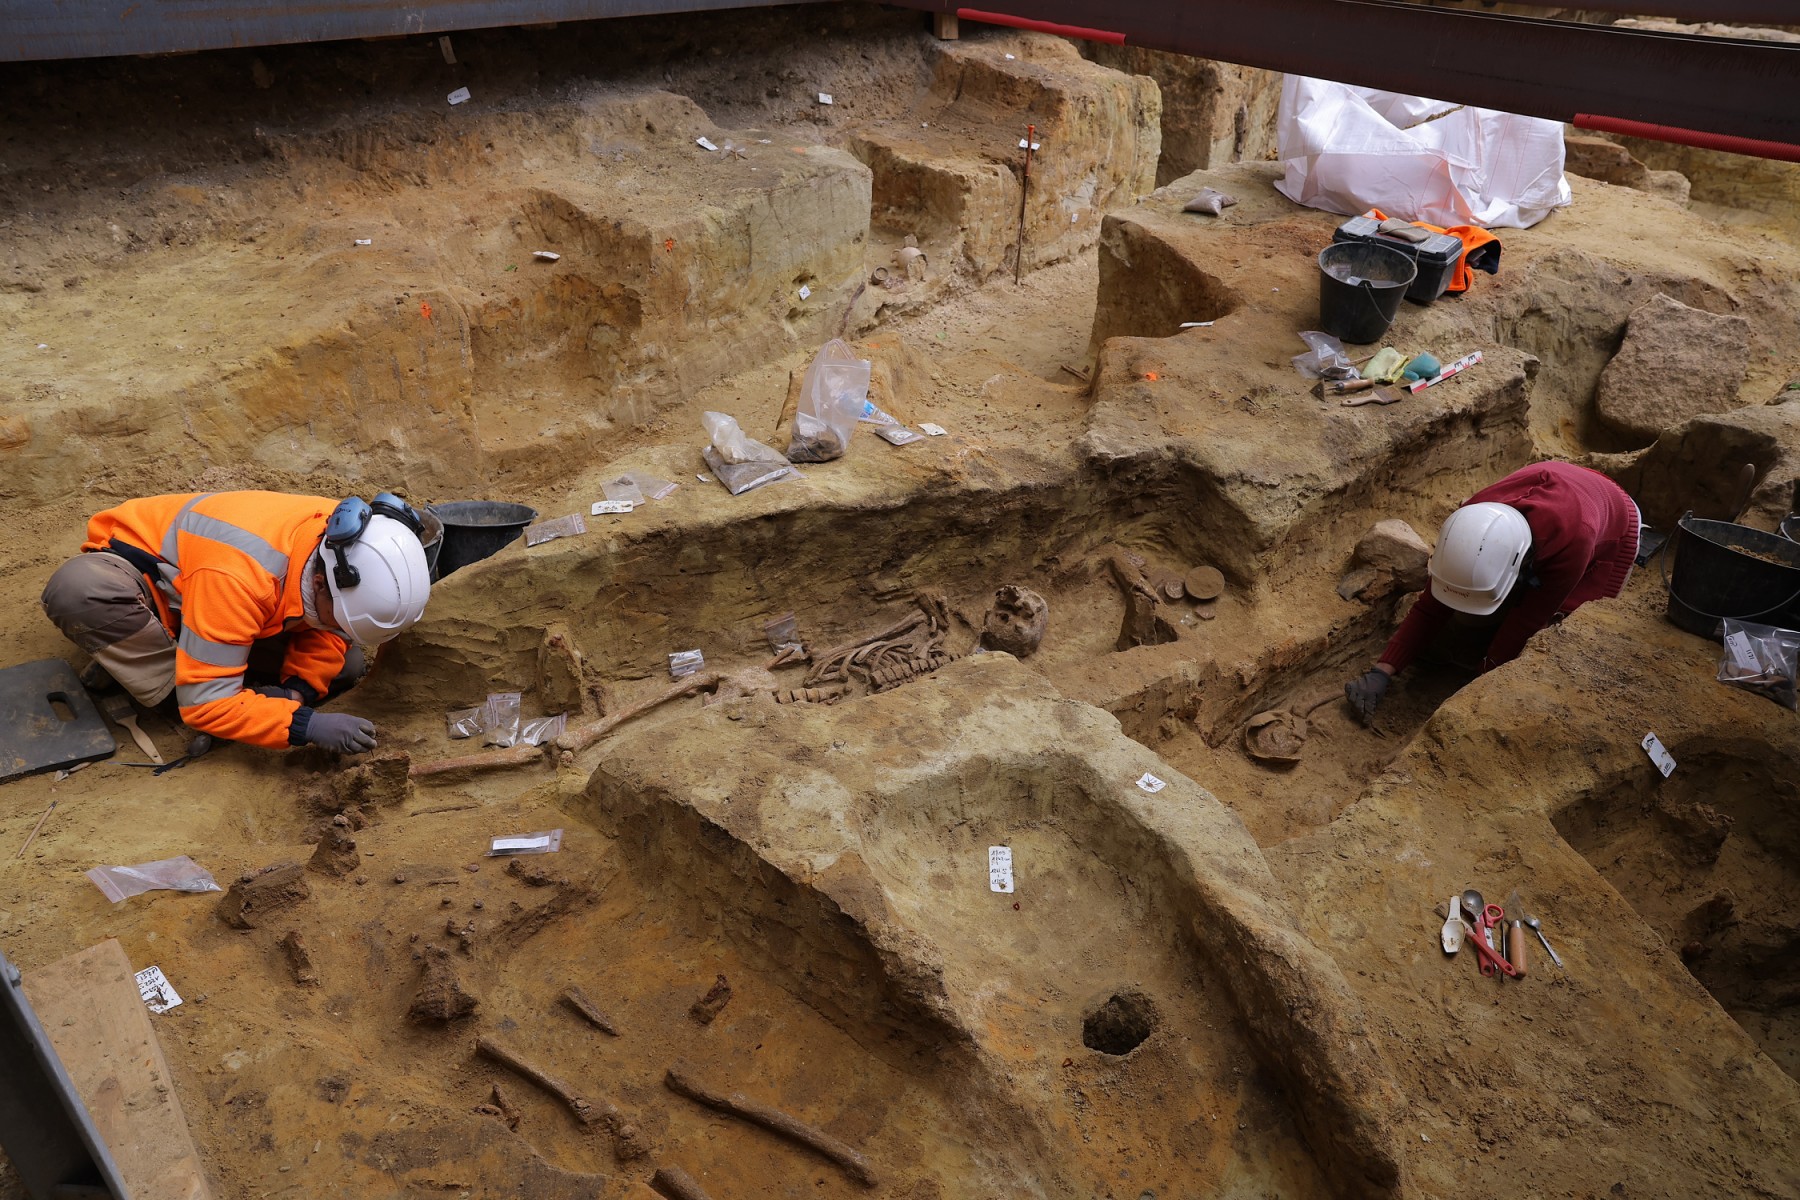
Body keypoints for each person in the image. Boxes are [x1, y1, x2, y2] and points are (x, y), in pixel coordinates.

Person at [41, 490, 432, 755]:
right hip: (150, 585)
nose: (343, 631)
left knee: (346, 666)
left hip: (229, 598)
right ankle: (163, 687)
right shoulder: (242, 576)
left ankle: (138, 664)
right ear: (319, 583)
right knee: (81, 592)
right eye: (342, 621)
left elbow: (326, 629)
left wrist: (296, 693)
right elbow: (206, 703)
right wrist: (303, 726)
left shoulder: (348, 543)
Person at [1345, 462, 1639, 724]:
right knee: (1470, 613)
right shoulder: (1470, 520)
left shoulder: (1574, 544)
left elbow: (1526, 623)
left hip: (1612, 521)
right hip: (1559, 493)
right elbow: (1433, 601)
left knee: (1558, 632)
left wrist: (1478, 689)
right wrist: (1382, 670)